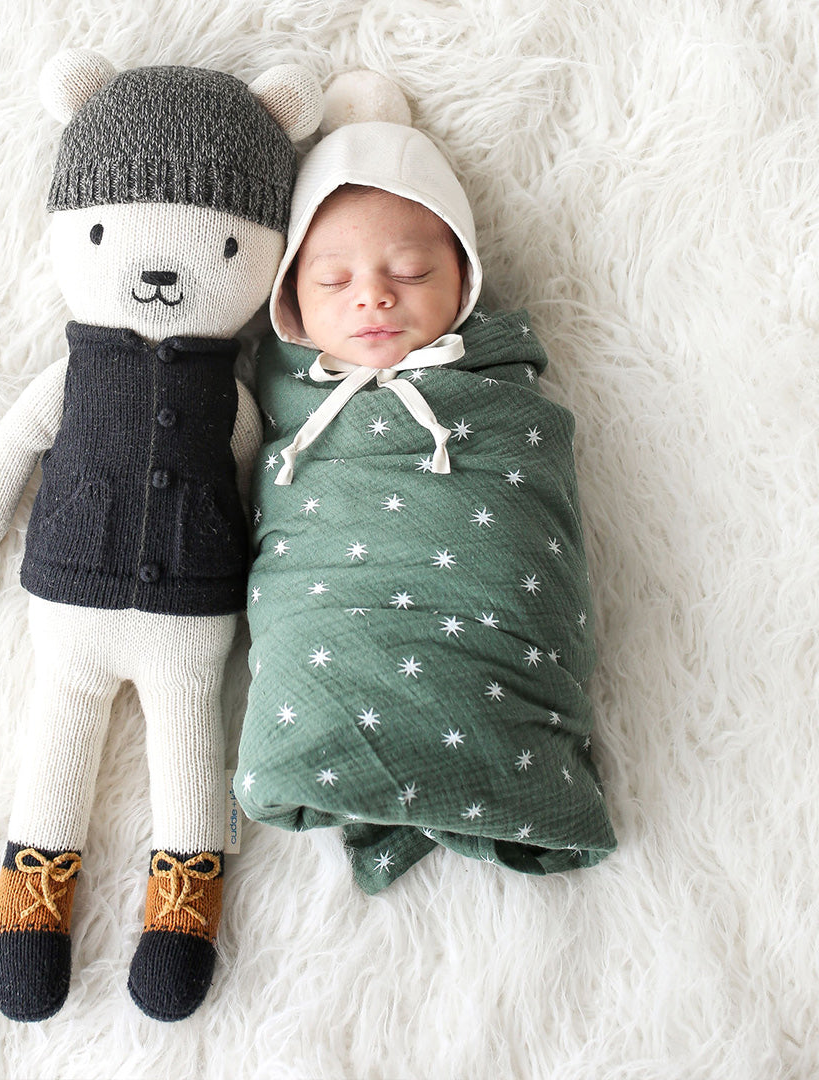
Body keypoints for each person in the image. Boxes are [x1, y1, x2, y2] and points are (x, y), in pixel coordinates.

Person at [233, 102, 617, 894]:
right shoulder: (280, 392)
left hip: (490, 612)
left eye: (409, 273)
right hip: (329, 609)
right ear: (291, 304)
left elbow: (533, 506)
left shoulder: (500, 386)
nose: (372, 297)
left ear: (466, 280)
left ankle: (506, 765)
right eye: (334, 280)